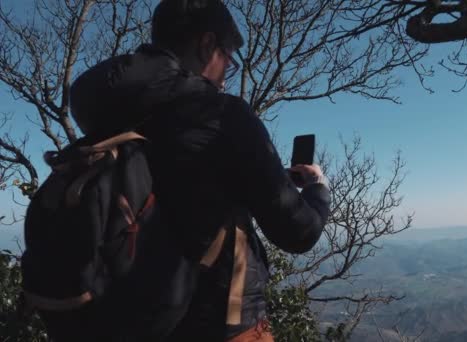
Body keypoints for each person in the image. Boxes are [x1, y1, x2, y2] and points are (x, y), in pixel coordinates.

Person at [68, 0, 331, 340]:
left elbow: (169, 179)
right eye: (229, 61)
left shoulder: (108, 114)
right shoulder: (221, 116)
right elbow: (299, 232)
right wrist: (317, 189)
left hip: (125, 319)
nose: (225, 79)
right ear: (207, 45)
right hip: (218, 324)